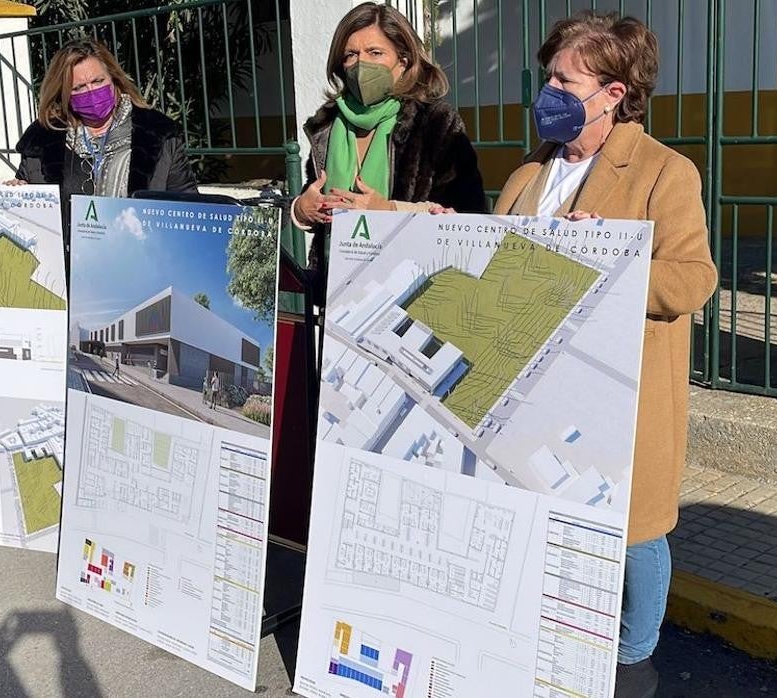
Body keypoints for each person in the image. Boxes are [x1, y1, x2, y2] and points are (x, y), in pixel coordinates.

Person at [495, 12, 717, 698]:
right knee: (546, 514)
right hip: (530, 385)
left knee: (633, 533)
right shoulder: (530, 171)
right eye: (549, 76)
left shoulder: (664, 173)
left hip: (620, 390)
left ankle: (635, 655)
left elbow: (692, 279)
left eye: (566, 79)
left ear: (615, 92)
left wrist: (607, 261)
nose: (549, 90)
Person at [292, 2, 487, 299]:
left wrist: (387, 212)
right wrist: (302, 210)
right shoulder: (328, 125)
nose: (361, 64)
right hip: (336, 298)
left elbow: (466, 219)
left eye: (375, 53)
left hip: (411, 296)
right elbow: (312, 192)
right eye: (351, 55)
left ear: (404, 61)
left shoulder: (435, 124)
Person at [8, 39, 199, 267]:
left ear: (113, 79)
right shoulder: (40, 142)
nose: (91, 91)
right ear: (63, 93)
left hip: (144, 269)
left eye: (98, 81)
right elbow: (31, 212)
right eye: (78, 88)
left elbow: (190, 208)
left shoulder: (159, 135)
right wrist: (17, 196)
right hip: (68, 276)